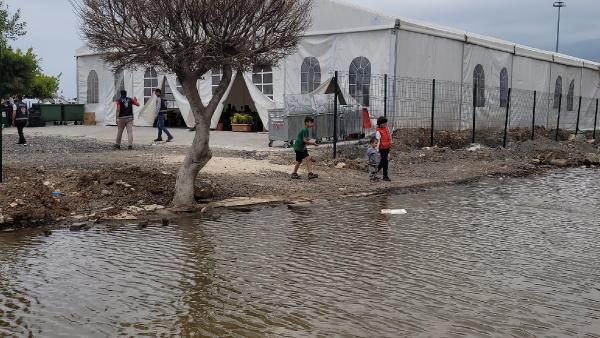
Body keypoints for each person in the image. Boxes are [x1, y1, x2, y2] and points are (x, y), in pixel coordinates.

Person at [375, 116, 392, 181]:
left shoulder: (386, 129)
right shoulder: (378, 132)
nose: (385, 124)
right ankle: (384, 176)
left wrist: (390, 142)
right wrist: (376, 150)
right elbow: (378, 141)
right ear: (380, 124)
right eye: (384, 123)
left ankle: (376, 172)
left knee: (384, 161)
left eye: (386, 123)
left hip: (387, 147)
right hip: (382, 148)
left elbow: (389, 136)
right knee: (385, 161)